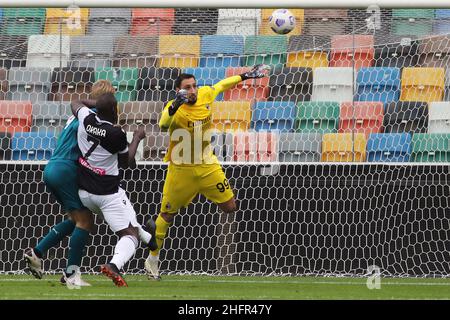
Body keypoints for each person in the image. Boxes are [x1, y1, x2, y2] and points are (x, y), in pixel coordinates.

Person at [145, 64, 270, 280]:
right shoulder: (173, 108)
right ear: (178, 91)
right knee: (166, 215)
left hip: (207, 164)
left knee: (230, 206)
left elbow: (221, 85)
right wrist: (175, 105)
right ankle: (152, 260)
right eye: (187, 88)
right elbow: (164, 124)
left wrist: (245, 75)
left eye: (194, 86)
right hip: (181, 168)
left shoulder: (204, 94)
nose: (192, 91)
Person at [24, 80, 116, 287]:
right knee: (85, 221)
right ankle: (71, 275)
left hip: (52, 167)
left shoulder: (77, 113)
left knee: (76, 219)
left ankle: (36, 252)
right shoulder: (93, 117)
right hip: (67, 168)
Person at [73, 93, 149, 287]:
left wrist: (97, 105)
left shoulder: (86, 118)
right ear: (115, 111)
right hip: (106, 195)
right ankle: (114, 265)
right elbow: (127, 162)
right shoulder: (116, 134)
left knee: (128, 216)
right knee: (129, 234)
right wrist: (138, 138)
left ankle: (151, 238)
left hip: (84, 192)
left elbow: (75, 102)